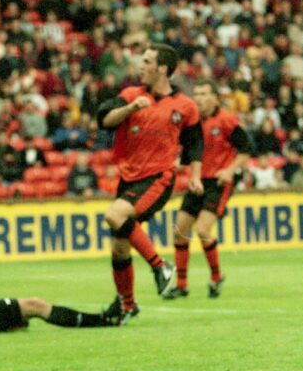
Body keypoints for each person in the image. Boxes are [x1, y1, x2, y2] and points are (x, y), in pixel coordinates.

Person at [97, 43, 203, 325]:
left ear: (163, 69)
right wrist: (130, 108)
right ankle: (127, 305)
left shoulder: (185, 106)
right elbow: (104, 121)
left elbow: (194, 144)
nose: (140, 66)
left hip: (158, 178)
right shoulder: (131, 95)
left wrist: (194, 176)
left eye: (146, 61)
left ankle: (161, 266)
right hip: (128, 177)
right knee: (119, 248)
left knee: (113, 215)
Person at [165, 79, 251, 300]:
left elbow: (246, 149)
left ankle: (216, 277)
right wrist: (177, 165)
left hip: (218, 182)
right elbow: (190, 153)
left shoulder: (227, 121)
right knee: (180, 231)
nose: (200, 99)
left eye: (204, 94)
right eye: (197, 94)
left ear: (215, 97)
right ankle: (182, 285)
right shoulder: (192, 123)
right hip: (197, 180)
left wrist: (230, 170)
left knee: (202, 230)